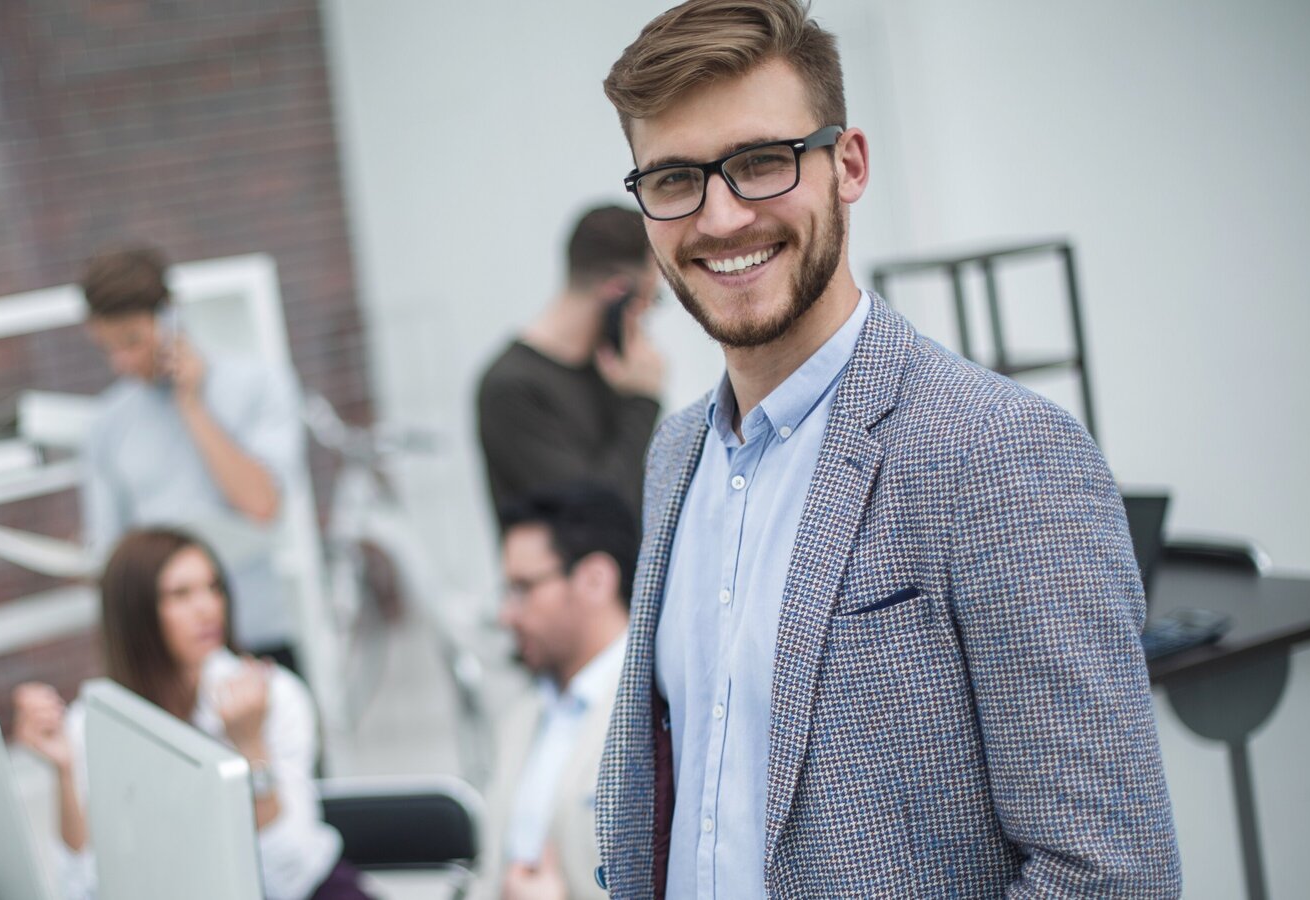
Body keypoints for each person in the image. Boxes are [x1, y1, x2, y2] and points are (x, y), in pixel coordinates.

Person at [591, 2, 1180, 898]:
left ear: (849, 164)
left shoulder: (998, 454)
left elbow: (1111, 874)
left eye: (761, 161)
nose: (721, 217)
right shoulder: (675, 457)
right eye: (675, 179)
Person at [11, 529, 373, 900]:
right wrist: (65, 772)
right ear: (135, 614)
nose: (207, 608)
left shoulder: (273, 694)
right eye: (180, 594)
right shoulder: (93, 724)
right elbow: (83, 889)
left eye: (213, 588)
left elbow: (289, 876)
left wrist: (251, 747)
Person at [79, 244, 305, 667]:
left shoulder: (257, 384)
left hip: (257, 635)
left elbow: (262, 504)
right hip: (165, 657)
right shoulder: (107, 424)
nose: (122, 362)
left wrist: (192, 405)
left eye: (132, 341)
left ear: (169, 318)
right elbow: (109, 552)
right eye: (108, 347)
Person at [475, 484, 637, 900]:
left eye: (523, 588)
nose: (506, 615)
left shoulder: (659, 713)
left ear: (595, 580)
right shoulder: (523, 718)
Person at [476, 206, 666, 524]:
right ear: (618, 292)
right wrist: (643, 402)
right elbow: (597, 514)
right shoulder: (511, 388)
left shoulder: (614, 372)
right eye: (651, 298)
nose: (647, 314)